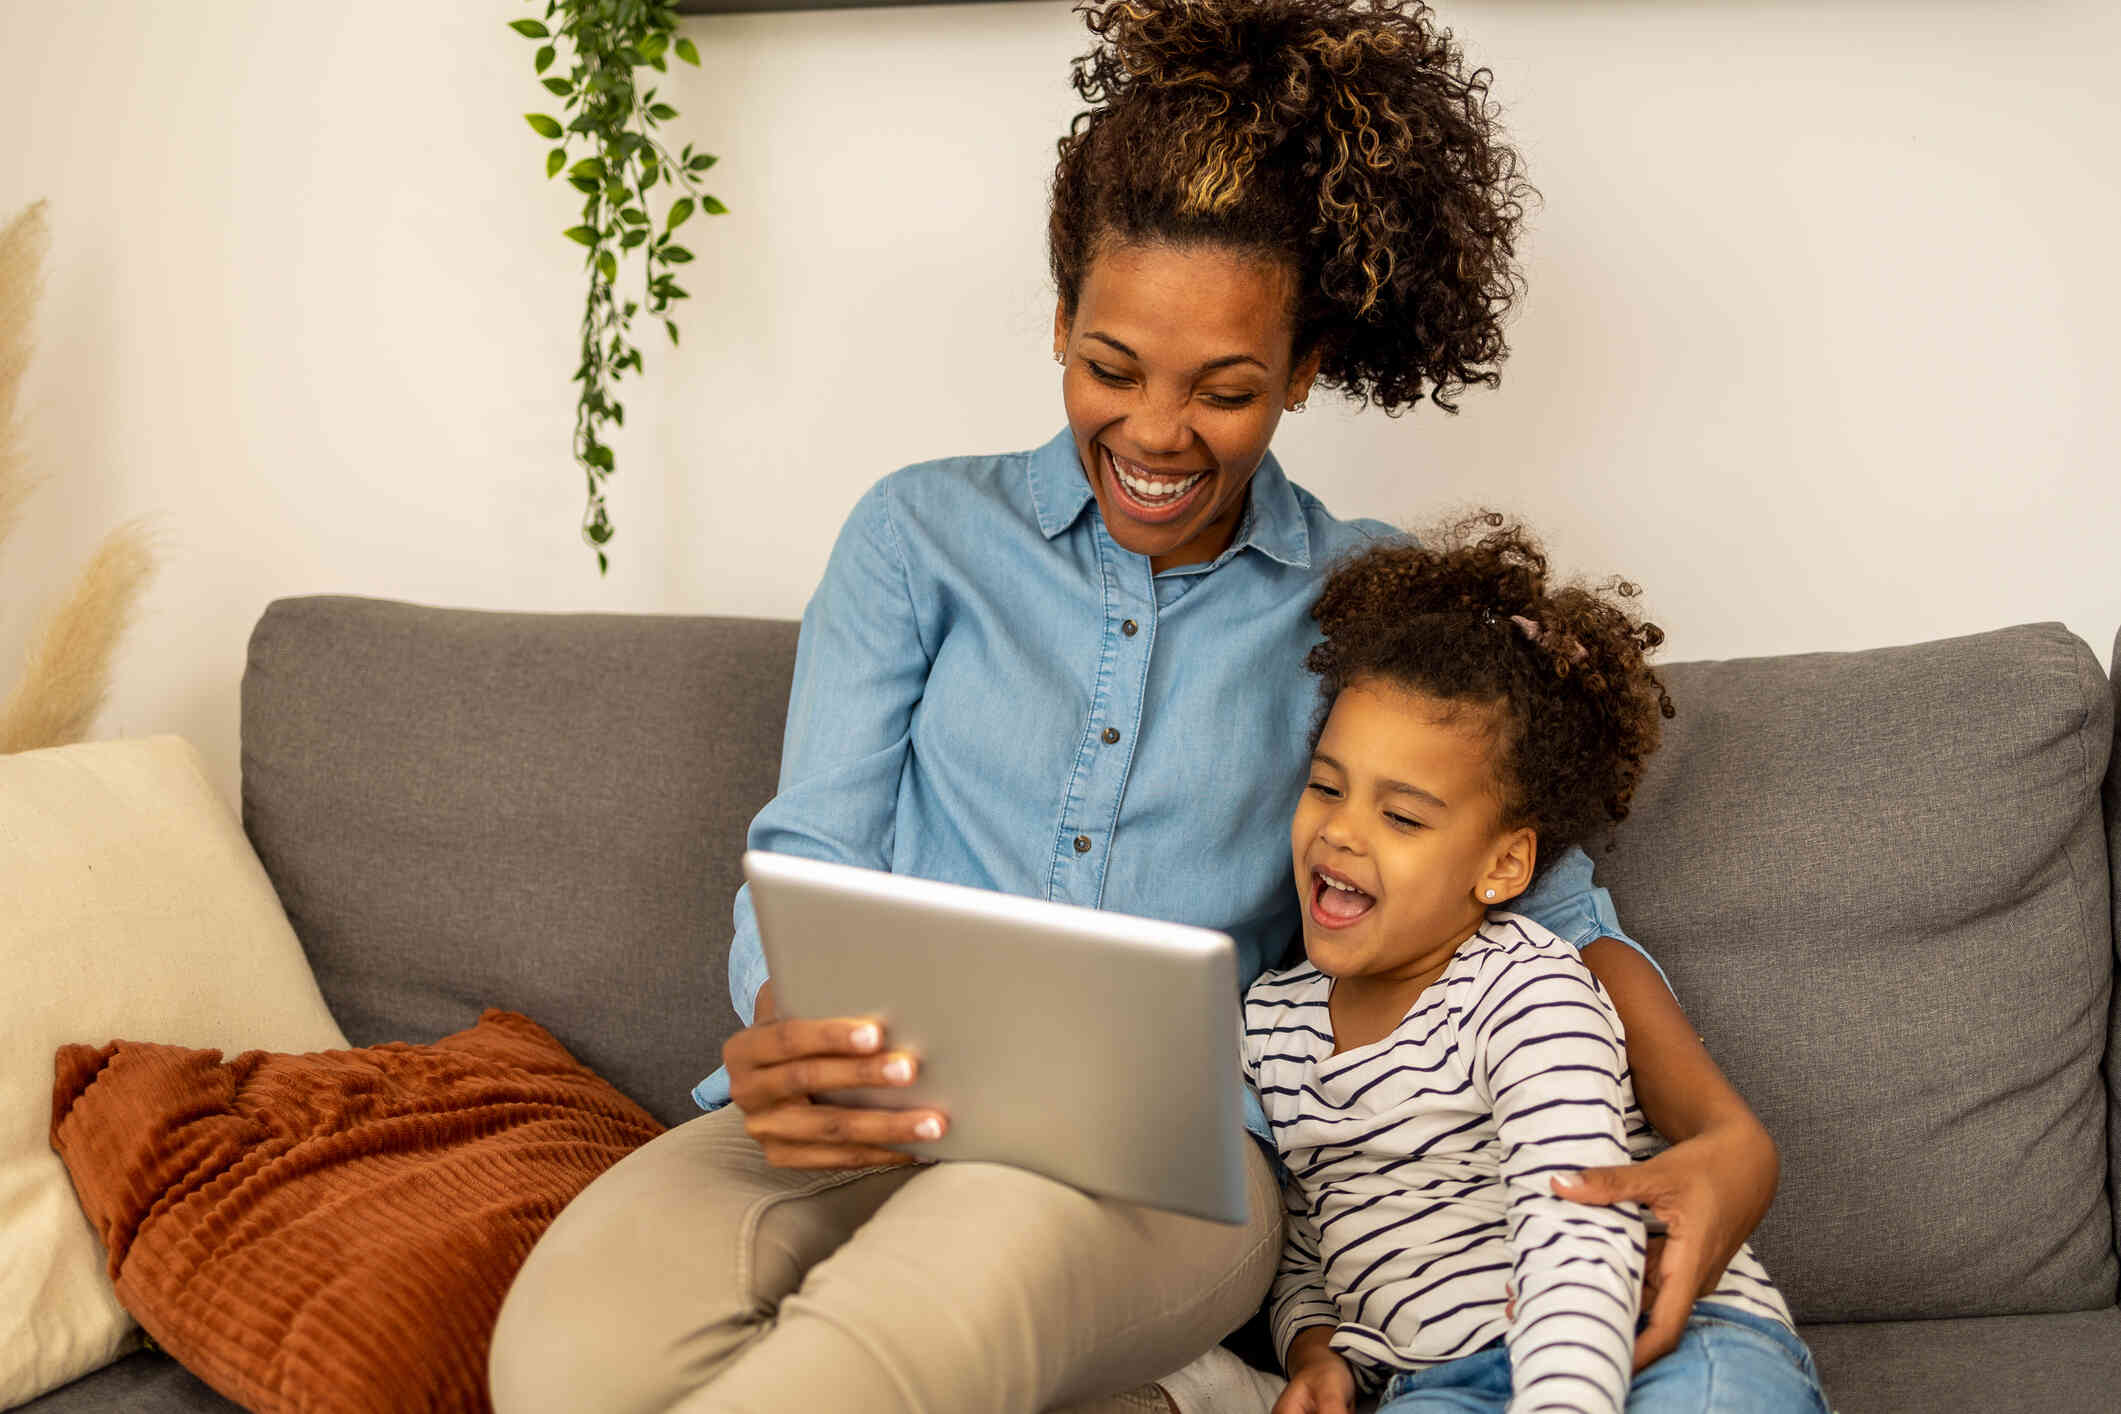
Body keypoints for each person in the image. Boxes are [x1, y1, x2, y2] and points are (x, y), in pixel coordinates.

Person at [488, 4, 1784, 1411]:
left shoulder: (1364, 601)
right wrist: (783, 1025)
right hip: (857, 1111)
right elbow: (811, 847)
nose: (1157, 434)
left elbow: (1549, 908)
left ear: (1300, 373)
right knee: (562, 1360)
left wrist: (1728, 1137)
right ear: (1058, 320)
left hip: (1163, 1168)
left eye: (1224, 389)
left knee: (904, 1320)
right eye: (1111, 367)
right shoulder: (913, 534)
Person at [1249, 518, 1827, 1414]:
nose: (1341, 829)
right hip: (1437, 1379)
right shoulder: (1267, 1024)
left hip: (1656, 1335)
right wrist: (1318, 1353)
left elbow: (1577, 1225)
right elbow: (1308, 1243)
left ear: (1503, 867)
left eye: (1402, 817)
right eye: (1327, 785)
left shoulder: (1529, 987)